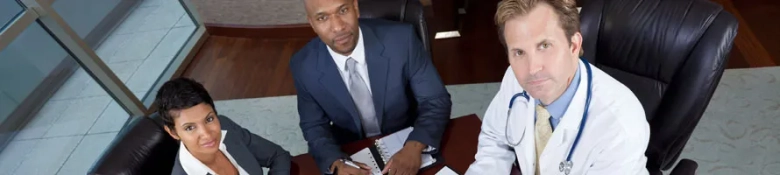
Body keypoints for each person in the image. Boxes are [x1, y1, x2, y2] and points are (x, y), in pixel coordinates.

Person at [465, 0, 650, 174]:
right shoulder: (513, 79)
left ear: (574, 45)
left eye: (544, 45)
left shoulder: (620, 127)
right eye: (519, 52)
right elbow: (494, 141)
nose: (532, 69)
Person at [290, 0, 452, 174]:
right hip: (351, 147)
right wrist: (336, 163)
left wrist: (414, 147)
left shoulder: (402, 39)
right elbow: (313, 126)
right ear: (312, 24)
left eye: (343, 10)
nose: (338, 27)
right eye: (322, 18)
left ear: (356, 8)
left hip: (407, 133)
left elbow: (435, 101)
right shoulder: (303, 65)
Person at [157, 78, 292, 175]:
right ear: (173, 132)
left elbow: (278, 155)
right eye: (190, 128)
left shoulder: (225, 126)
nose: (207, 134)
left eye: (209, 119)